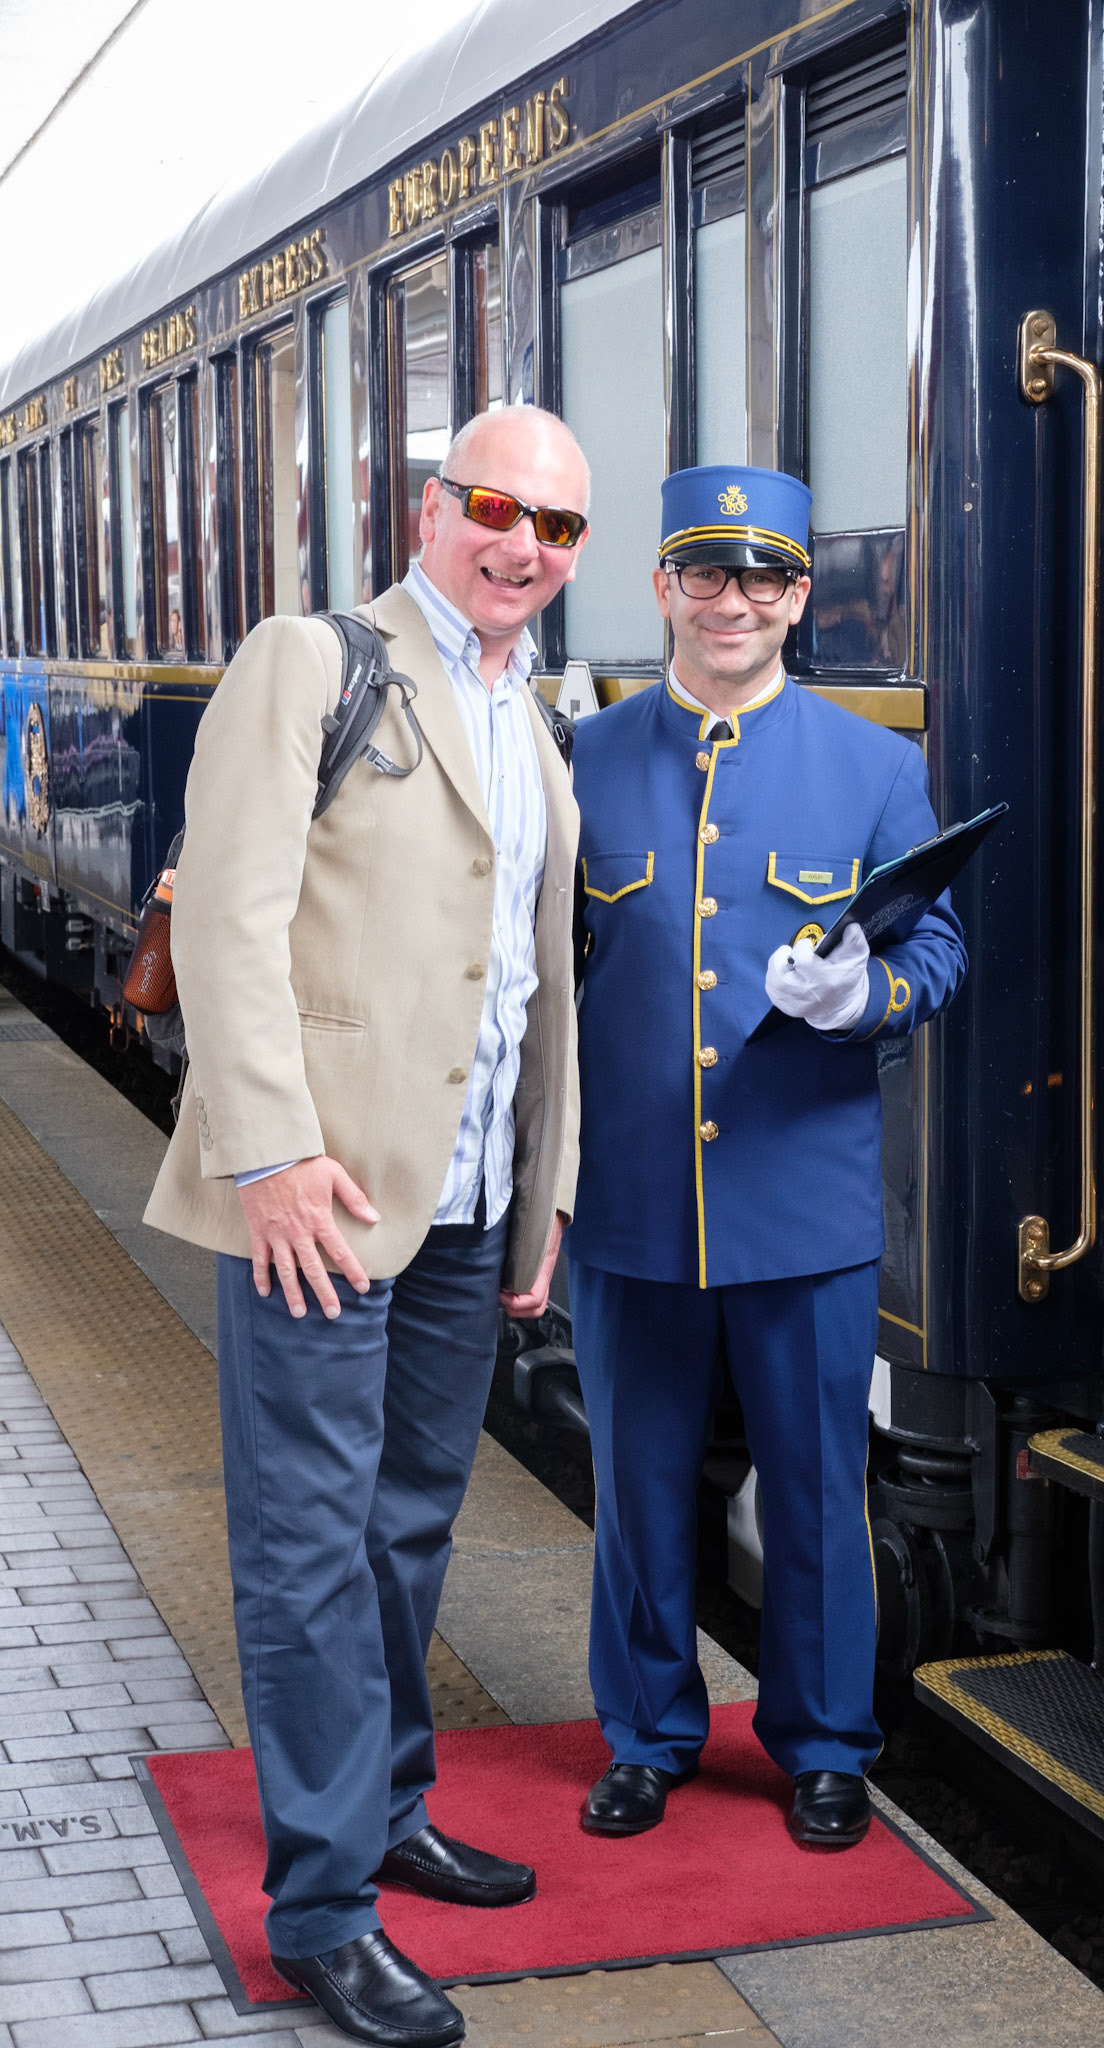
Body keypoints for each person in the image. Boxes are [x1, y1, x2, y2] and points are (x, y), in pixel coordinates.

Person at [145, 407, 590, 2048]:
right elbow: (231, 920)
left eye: (555, 526)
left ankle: (390, 1807)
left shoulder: (532, 714)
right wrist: (266, 1153)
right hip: (322, 1197)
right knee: (311, 1547)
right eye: (493, 508)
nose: (520, 545)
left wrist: (543, 1183)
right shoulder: (313, 661)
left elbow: (531, 978)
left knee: (408, 1525)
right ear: (428, 510)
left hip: (464, 1200)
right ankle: (324, 1911)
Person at [567, 464, 967, 1851]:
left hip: (801, 1203)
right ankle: (646, 1733)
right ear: (662, 587)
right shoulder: (586, 759)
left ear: (800, 599)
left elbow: (935, 946)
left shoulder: (874, 767)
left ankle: (823, 1745)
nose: (730, 601)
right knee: (636, 1491)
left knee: (813, 1490)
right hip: (631, 1200)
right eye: (703, 573)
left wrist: (870, 998)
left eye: (762, 578)